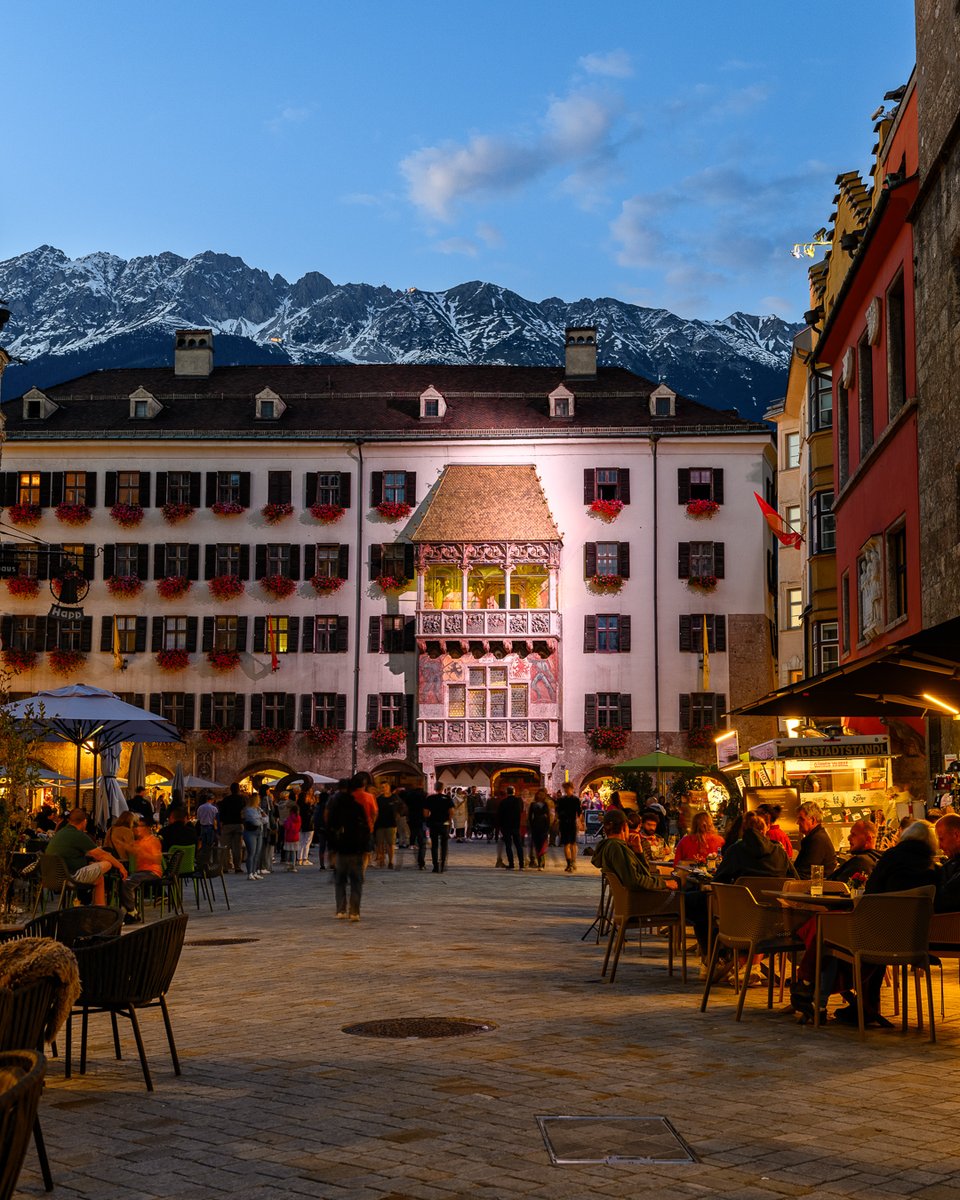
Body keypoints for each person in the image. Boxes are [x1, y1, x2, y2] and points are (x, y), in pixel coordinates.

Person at [46, 807, 128, 907]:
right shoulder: (78, 835)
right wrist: (120, 866)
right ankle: (100, 911)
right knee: (107, 863)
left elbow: (71, 854)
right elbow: (102, 855)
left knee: (99, 878)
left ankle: (99, 909)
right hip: (70, 878)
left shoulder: (60, 833)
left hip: (51, 877)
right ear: (84, 821)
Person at [591, 808, 678, 892]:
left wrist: (638, 851)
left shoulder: (609, 846)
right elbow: (634, 881)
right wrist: (664, 883)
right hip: (637, 899)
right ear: (624, 827)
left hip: (632, 896)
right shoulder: (617, 847)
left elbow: (644, 874)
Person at [326, 777, 376, 920]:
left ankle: (341, 910)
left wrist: (332, 849)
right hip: (356, 849)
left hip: (341, 849)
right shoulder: (357, 807)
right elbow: (366, 828)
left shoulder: (335, 807)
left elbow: (330, 828)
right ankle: (354, 911)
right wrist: (365, 846)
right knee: (356, 882)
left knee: (340, 881)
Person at [119, 819, 164, 921]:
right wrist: (124, 845)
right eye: (135, 826)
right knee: (123, 880)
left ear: (147, 828)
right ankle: (132, 910)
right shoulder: (139, 841)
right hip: (141, 872)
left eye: (139, 826)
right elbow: (132, 850)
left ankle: (131, 912)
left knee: (127, 882)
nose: (136, 828)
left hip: (152, 872)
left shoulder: (152, 840)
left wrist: (142, 853)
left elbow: (157, 859)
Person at [831, 818, 882, 885]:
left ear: (868, 839)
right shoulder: (877, 859)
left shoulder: (861, 862)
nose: (848, 838)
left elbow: (835, 887)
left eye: (853, 834)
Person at [794, 801, 838, 879]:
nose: (797, 822)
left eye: (801, 819)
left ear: (813, 820)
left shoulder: (817, 840)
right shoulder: (815, 836)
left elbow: (805, 873)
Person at [425, 786, 455, 873]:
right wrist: (449, 820)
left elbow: (425, 813)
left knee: (434, 845)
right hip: (444, 824)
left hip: (433, 823)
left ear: (435, 788)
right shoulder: (447, 798)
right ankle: (442, 865)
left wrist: (428, 819)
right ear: (442, 788)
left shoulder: (430, 798)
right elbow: (452, 812)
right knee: (444, 845)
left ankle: (435, 866)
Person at [219, 783, 246, 874]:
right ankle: (237, 867)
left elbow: (221, 812)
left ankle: (225, 867)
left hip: (227, 824)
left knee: (225, 847)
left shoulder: (226, 799)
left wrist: (222, 822)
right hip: (238, 824)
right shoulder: (242, 799)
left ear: (230, 789)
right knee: (237, 847)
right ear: (238, 789)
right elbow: (244, 811)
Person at [555, 782, 582, 873]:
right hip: (564, 823)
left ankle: (573, 861)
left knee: (573, 843)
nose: (567, 790)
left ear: (571, 788)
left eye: (568, 788)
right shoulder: (561, 800)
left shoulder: (575, 800)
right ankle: (569, 863)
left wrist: (580, 822)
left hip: (572, 823)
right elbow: (557, 812)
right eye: (565, 788)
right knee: (566, 843)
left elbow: (579, 813)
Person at [935, 813, 960, 910]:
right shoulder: (952, 863)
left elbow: (946, 900)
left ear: (956, 835)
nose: (939, 846)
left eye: (941, 839)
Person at [497, 787, 524, 870]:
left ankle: (511, 864)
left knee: (508, 846)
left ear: (506, 792)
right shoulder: (518, 801)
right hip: (516, 825)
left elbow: (500, 816)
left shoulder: (503, 802)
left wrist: (500, 827)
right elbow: (521, 810)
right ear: (514, 792)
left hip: (506, 826)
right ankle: (521, 865)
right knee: (518, 845)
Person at [241, 793, 266, 882]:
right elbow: (254, 822)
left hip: (259, 832)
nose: (259, 800)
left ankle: (254, 871)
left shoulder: (258, 809)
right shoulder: (249, 810)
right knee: (251, 853)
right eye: (258, 799)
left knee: (257, 853)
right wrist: (261, 820)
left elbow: (266, 819)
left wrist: (260, 819)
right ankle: (249, 873)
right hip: (251, 832)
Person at [403, 784, 428, 870]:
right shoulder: (424, 797)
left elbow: (406, 808)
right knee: (422, 842)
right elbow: (425, 811)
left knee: (414, 833)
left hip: (412, 819)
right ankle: (421, 862)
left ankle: (412, 843)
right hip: (421, 820)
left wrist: (407, 816)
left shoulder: (409, 797)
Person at [527, 789, 552, 870]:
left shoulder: (545, 804)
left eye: (542, 794)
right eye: (539, 794)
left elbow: (548, 816)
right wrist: (531, 826)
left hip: (544, 826)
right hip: (535, 825)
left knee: (542, 845)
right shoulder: (533, 804)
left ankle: (542, 862)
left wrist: (548, 827)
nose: (540, 796)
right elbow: (530, 816)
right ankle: (539, 862)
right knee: (537, 845)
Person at [373, 789, 398, 868]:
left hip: (391, 824)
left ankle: (390, 861)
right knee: (380, 844)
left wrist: (397, 816)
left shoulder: (394, 798)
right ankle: (381, 860)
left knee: (390, 844)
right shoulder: (378, 799)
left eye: (386, 787)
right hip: (379, 824)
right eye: (382, 787)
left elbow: (401, 807)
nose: (384, 789)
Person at [282, 803, 301, 872]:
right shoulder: (298, 817)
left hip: (289, 836)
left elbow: (287, 827)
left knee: (288, 851)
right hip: (296, 836)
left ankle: (287, 865)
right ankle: (293, 866)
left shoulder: (289, 818)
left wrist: (285, 822)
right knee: (293, 851)